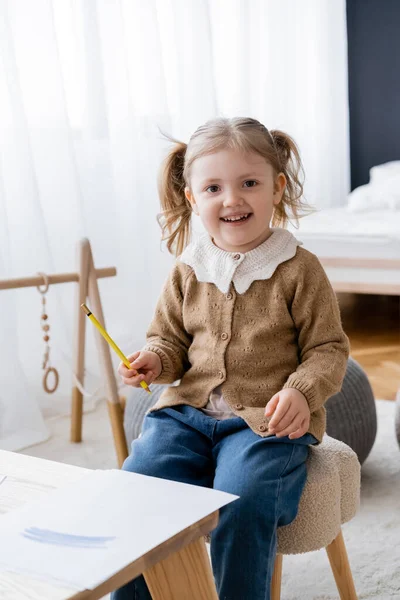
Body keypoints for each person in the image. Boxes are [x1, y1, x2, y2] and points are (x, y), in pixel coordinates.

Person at [111, 117, 349, 600]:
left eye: (249, 184)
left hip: (264, 423)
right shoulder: (188, 268)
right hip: (184, 418)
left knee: (243, 500)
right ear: (192, 198)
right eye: (214, 187)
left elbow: (329, 348)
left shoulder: (298, 268)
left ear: (277, 188)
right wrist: (155, 360)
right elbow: (169, 340)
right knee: (135, 490)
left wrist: (301, 392)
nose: (232, 199)